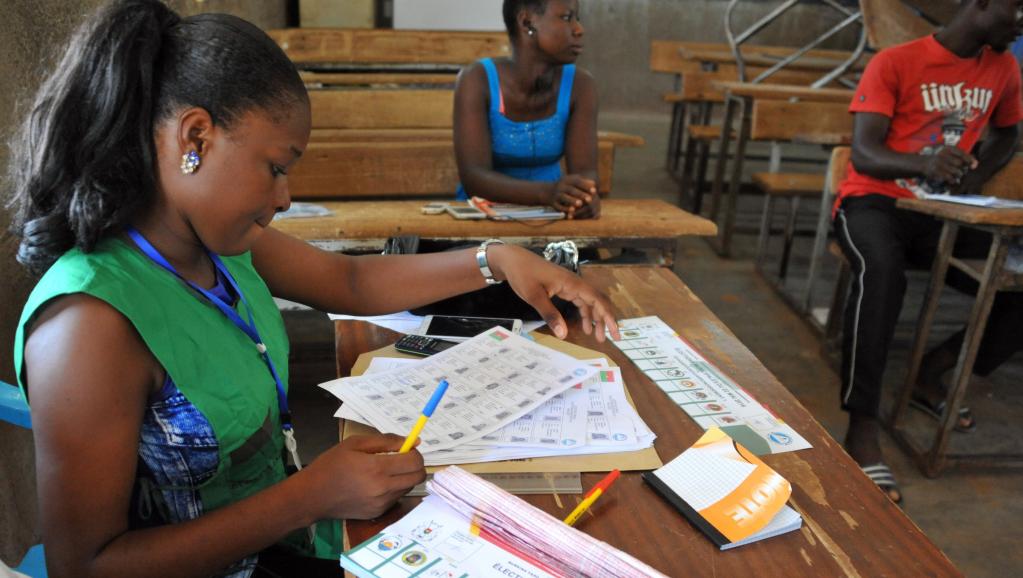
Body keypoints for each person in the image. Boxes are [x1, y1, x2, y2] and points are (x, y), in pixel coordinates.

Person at [5, 1, 620, 577]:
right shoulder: (89, 323)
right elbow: (85, 566)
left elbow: (348, 279)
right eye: (276, 167)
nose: (284, 197)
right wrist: (309, 496)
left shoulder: (215, 243)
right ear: (196, 139)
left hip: (289, 542)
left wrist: (497, 257)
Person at [834, 0, 1023, 504]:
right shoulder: (895, 62)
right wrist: (924, 162)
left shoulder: (1003, 66)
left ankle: (931, 373)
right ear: (981, 4)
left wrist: (973, 179)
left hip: (945, 211)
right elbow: (865, 153)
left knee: (1018, 280)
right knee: (881, 273)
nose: (1022, 20)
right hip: (874, 202)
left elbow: (1008, 133)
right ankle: (862, 425)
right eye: (1018, 7)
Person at [453, 0, 600, 219]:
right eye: (567, 18)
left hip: (554, 214)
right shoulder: (477, 80)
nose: (579, 29)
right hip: (483, 217)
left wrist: (582, 196)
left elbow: (585, 171)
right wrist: (546, 193)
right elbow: (474, 177)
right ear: (527, 22)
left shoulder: (581, 85)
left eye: (577, 19)